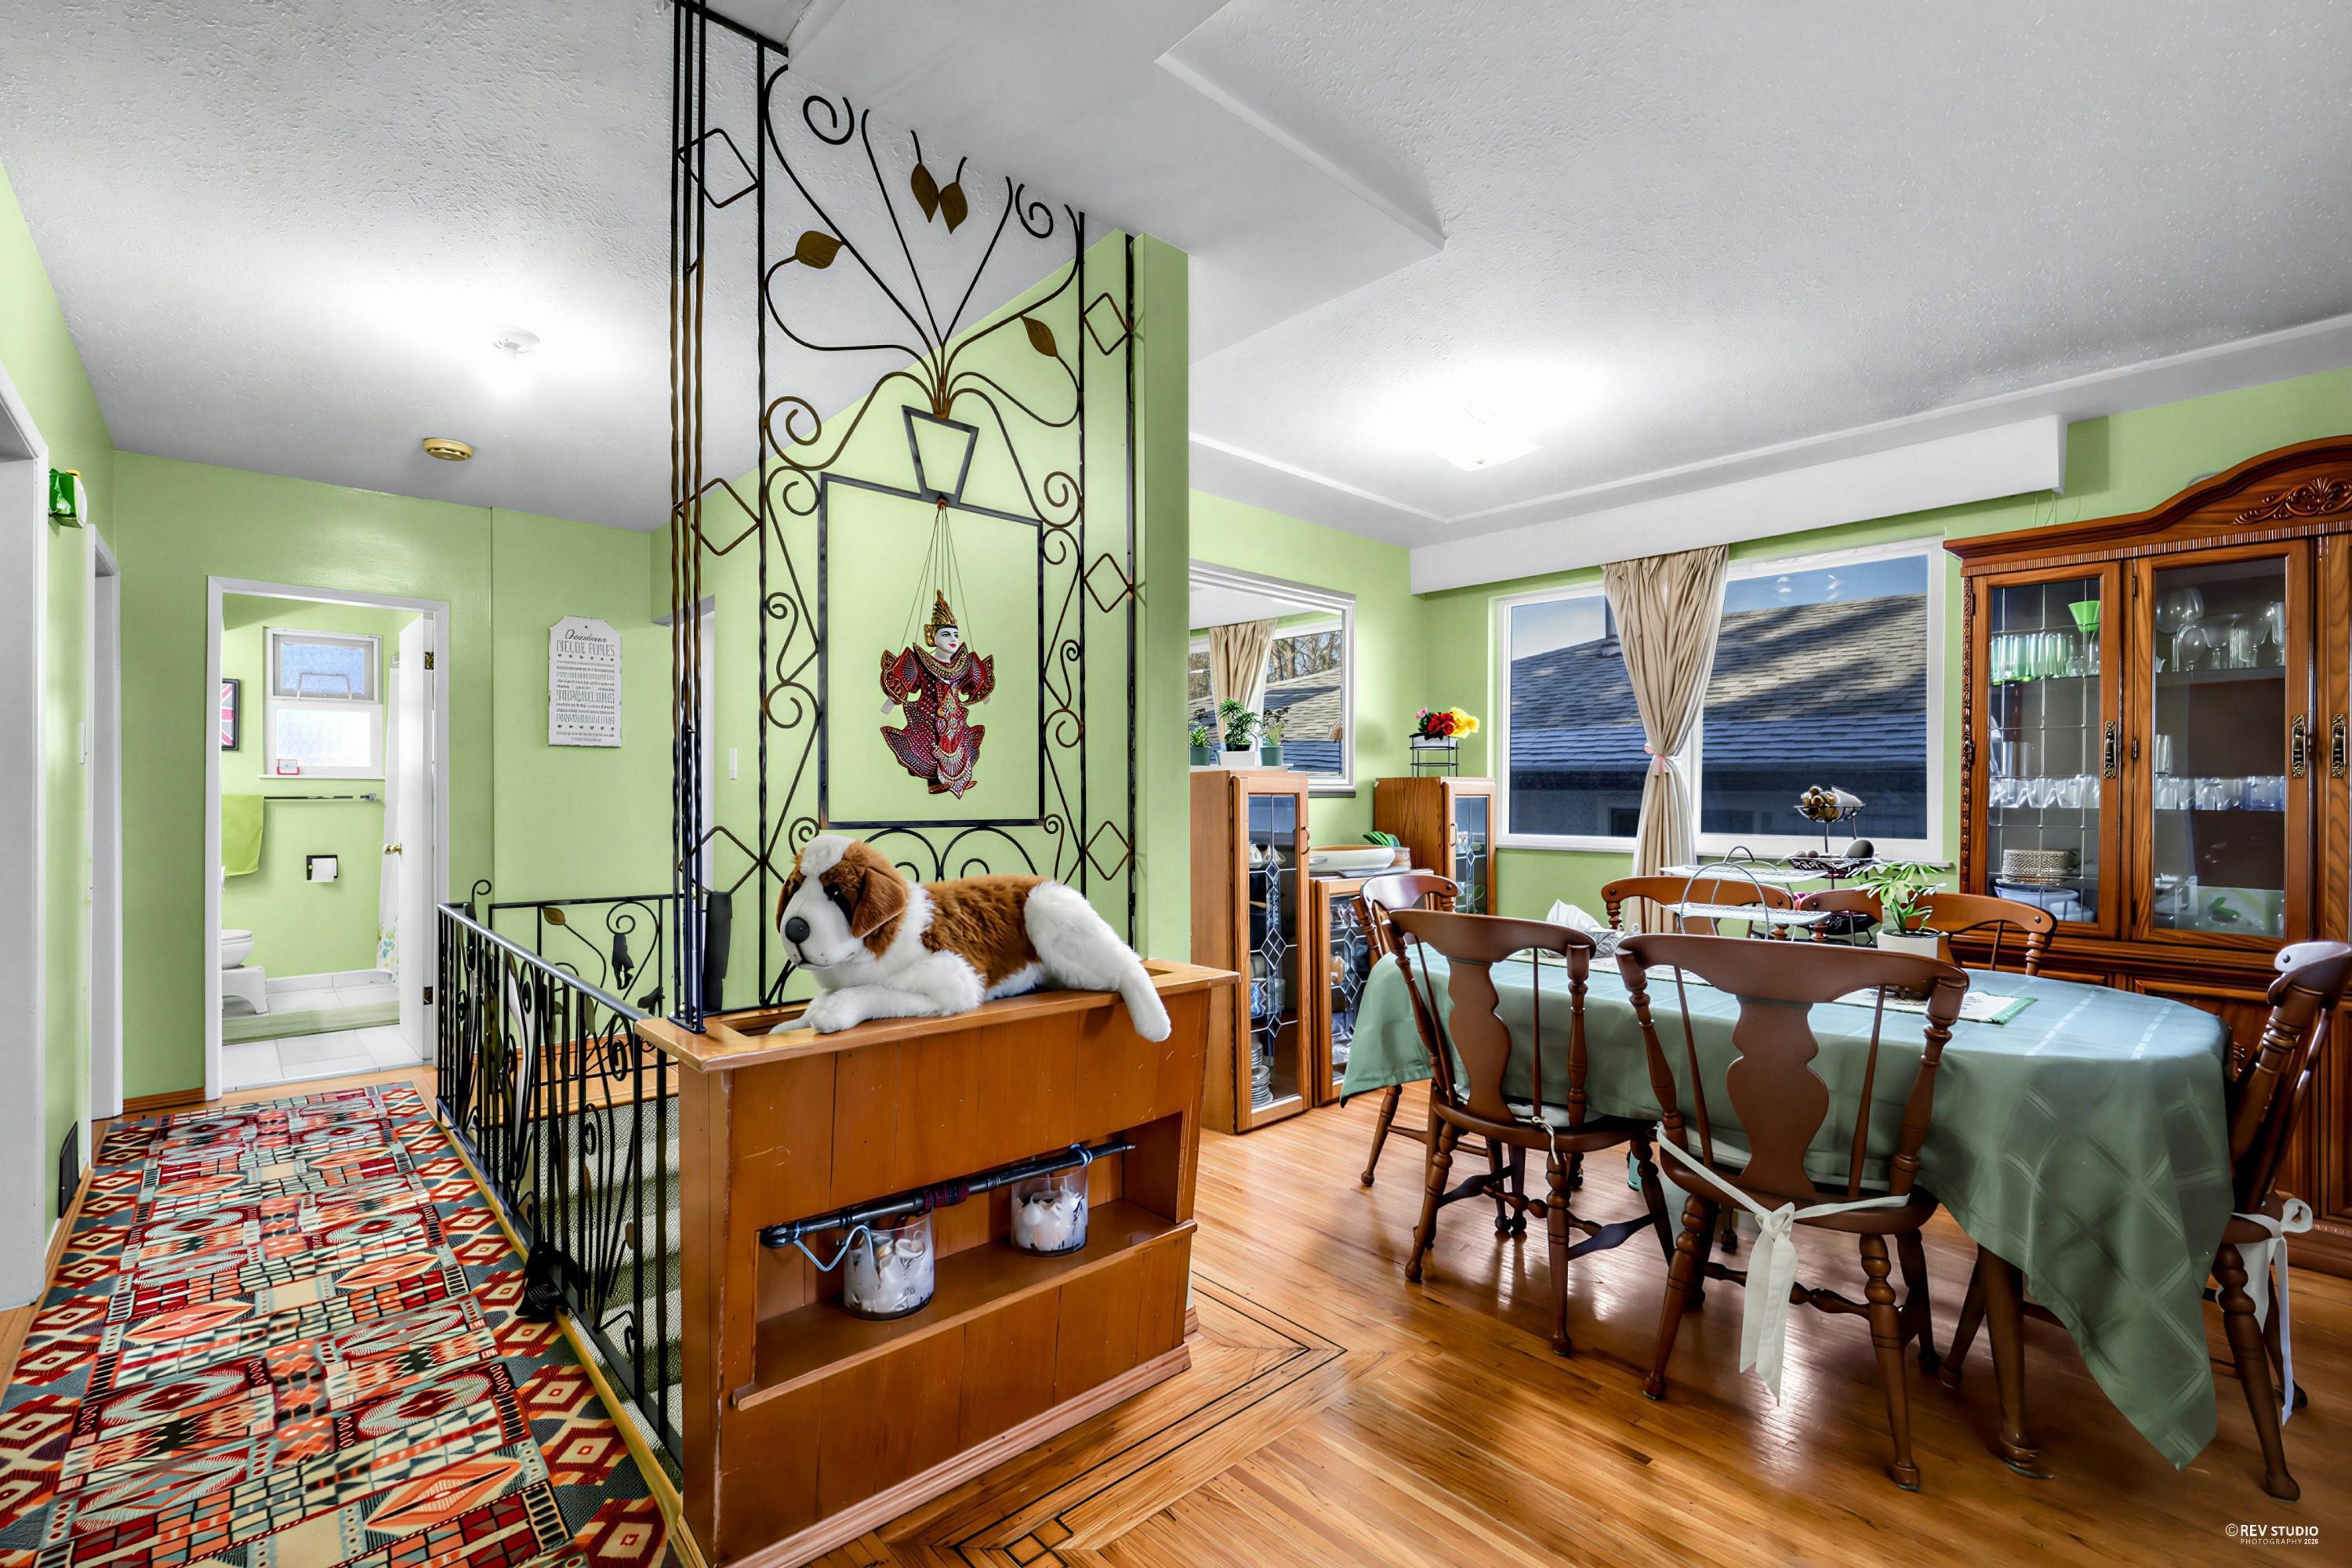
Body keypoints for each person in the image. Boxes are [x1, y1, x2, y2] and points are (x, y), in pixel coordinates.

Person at [880, 593, 995, 797]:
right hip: (929, 719)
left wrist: (985, 696)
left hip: (955, 721)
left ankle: (958, 780)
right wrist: (889, 703)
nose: (953, 640)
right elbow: (902, 685)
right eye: (946, 634)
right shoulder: (921, 663)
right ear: (932, 636)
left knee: (960, 749)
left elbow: (979, 687)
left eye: (955, 635)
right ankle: (936, 781)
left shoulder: (963, 664)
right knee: (928, 753)